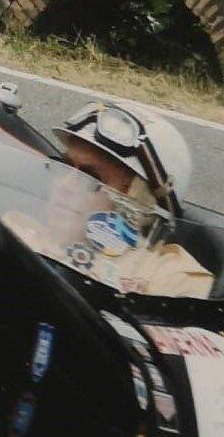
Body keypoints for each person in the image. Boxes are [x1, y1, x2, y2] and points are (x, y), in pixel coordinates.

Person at [50, 101, 214, 299]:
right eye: (65, 167)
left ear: (139, 199)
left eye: (90, 177)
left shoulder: (170, 277)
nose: (65, 186)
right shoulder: (27, 232)